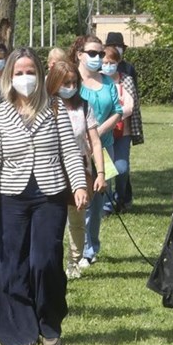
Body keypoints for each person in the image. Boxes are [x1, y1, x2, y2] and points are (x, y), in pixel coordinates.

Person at [0, 48, 88, 345]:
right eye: (19, 73)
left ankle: (50, 322)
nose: (25, 78)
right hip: (10, 197)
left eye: (30, 71)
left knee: (44, 260)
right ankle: (20, 330)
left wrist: (78, 185)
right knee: (14, 265)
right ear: (10, 76)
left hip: (49, 196)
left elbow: (70, 152)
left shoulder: (55, 108)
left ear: (40, 73)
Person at [46, 60, 107, 279]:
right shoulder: (46, 105)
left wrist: (100, 173)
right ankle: (51, 259)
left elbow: (95, 141)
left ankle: (74, 261)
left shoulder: (84, 106)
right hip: (51, 167)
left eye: (74, 82)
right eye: (66, 82)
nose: (70, 87)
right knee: (52, 217)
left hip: (79, 166)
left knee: (77, 218)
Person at [70, 35, 123, 269]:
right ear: (79, 54)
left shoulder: (108, 82)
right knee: (75, 200)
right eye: (93, 53)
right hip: (75, 149)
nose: (98, 58)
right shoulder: (71, 82)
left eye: (101, 54)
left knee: (97, 197)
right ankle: (74, 248)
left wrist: (97, 133)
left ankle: (90, 249)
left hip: (104, 146)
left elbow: (118, 111)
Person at [100, 45, 141, 215]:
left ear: (118, 63)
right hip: (102, 132)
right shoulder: (97, 80)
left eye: (111, 62)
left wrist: (113, 114)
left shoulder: (126, 80)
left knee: (122, 168)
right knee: (107, 170)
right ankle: (107, 205)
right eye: (105, 62)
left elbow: (130, 107)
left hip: (121, 132)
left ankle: (121, 197)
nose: (108, 65)